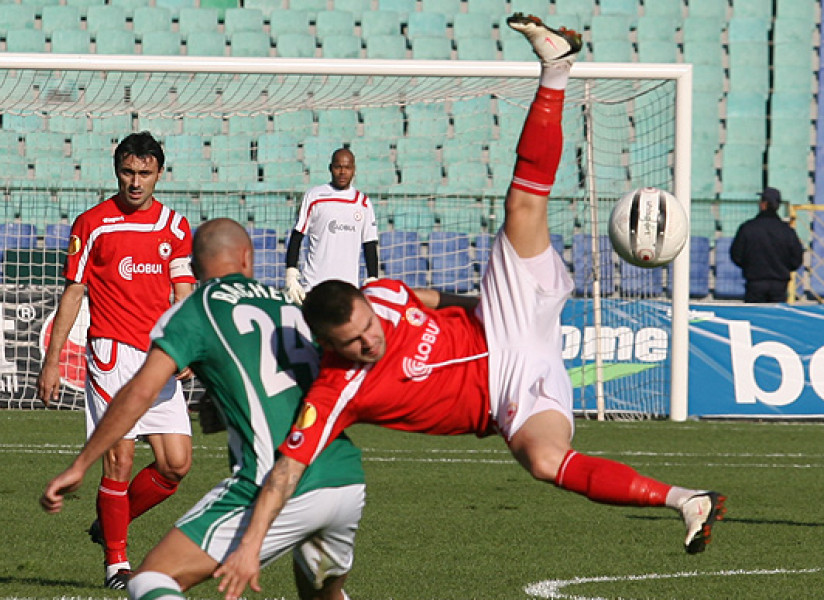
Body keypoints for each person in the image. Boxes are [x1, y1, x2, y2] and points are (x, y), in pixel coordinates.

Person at [215, 14, 726, 599]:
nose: (372, 340)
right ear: (331, 347)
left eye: (370, 326)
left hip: (505, 317)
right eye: (356, 343)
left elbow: (424, 297)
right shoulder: (336, 391)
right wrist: (251, 546)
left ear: (366, 300)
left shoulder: (381, 295)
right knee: (544, 462)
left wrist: (487, 301)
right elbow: (288, 467)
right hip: (506, 393)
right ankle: (689, 499)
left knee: (520, 209)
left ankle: (555, 69)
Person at [40, 218, 366, 600]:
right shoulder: (290, 307)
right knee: (320, 595)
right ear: (248, 258)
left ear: (192, 268)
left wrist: (81, 464)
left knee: (150, 580)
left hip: (275, 481)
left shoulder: (196, 310)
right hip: (345, 480)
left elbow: (139, 394)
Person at [38, 131, 196, 590]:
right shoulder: (92, 224)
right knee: (119, 460)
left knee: (176, 464)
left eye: (145, 173)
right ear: (116, 170)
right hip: (111, 353)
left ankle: (111, 520)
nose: (135, 182)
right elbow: (75, 291)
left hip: (159, 356)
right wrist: (52, 361)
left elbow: (183, 291)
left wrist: (187, 342)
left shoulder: (175, 226)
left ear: (159, 174)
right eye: (128, 172)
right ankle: (116, 563)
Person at [285, 147, 380, 303]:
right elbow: (297, 236)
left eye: (347, 167)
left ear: (354, 170)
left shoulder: (363, 202)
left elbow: (369, 244)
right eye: (338, 167)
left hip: (348, 289)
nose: (342, 172)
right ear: (330, 168)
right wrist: (291, 273)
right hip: (314, 286)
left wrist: (372, 278)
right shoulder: (314, 196)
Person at [729, 186, 804, 303]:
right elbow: (797, 258)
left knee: (755, 317)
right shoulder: (787, 231)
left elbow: (736, 255)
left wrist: (750, 267)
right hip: (780, 284)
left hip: (755, 282)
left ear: (763, 204)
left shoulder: (748, 228)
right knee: (776, 318)